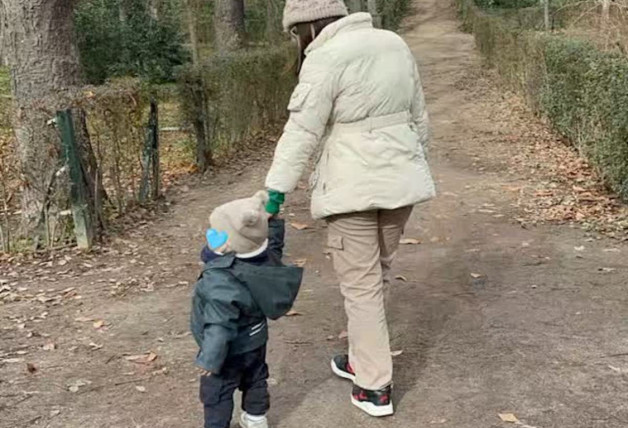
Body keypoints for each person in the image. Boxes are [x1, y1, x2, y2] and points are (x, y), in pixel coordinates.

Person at [264, 0, 436, 418]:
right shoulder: (393, 43)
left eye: (295, 34)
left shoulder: (325, 56)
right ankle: (363, 359)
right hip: (401, 182)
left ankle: (374, 387)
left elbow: (302, 130)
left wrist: (274, 191)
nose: (297, 42)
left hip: (351, 188)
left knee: (360, 287)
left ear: (307, 25)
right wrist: (414, 163)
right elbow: (420, 116)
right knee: (376, 274)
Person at [191, 191, 303, 428]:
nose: (209, 234)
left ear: (228, 246)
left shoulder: (220, 280)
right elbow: (272, 241)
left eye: (216, 232)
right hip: (256, 339)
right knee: (256, 377)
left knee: (217, 391)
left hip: (228, 351)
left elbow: (219, 326)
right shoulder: (266, 259)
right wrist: (271, 218)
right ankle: (255, 418)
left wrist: (209, 360)